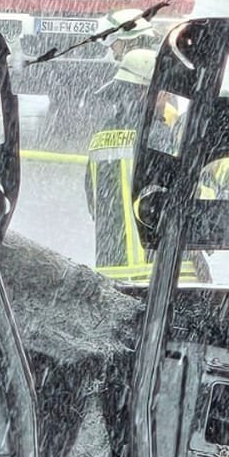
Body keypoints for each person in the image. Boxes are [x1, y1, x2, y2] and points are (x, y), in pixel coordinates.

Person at [84, 49, 160, 283]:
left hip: (110, 268)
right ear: (144, 92)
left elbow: (93, 202)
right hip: (152, 271)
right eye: (165, 93)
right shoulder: (159, 137)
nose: (167, 99)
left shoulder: (100, 137)